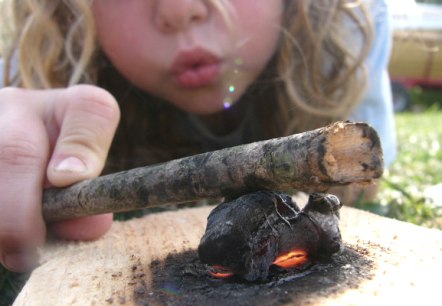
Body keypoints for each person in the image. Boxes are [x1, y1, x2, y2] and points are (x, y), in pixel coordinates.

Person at [0, 0, 396, 273]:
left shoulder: (347, 27)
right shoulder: (45, 58)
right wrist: (23, 145)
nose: (179, 9)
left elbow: (359, 188)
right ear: (68, 12)